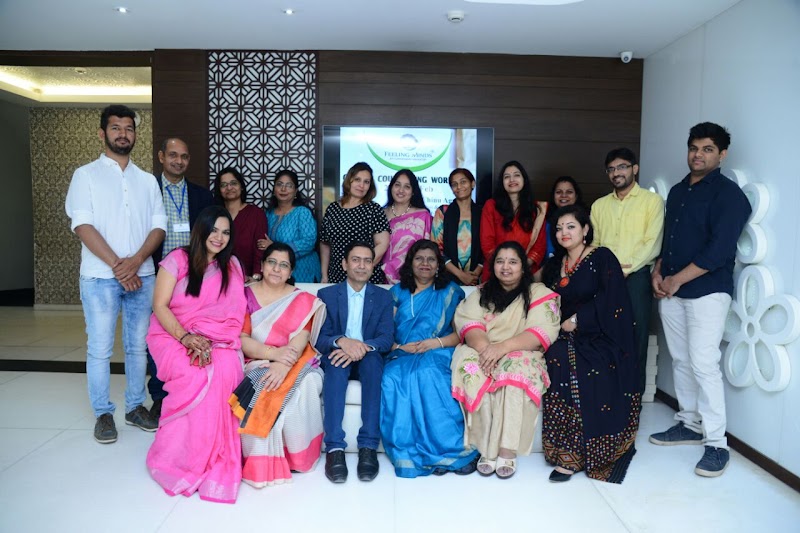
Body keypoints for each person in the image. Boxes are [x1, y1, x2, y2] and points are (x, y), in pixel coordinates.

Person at [649, 122, 751, 478]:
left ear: (722, 154)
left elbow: (718, 251)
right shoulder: (679, 191)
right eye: (694, 148)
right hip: (671, 290)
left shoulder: (729, 196)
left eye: (708, 149)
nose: (698, 154)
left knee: (704, 363)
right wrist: (658, 272)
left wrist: (676, 279)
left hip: (707, 291)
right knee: (681, 360)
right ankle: (689, 423)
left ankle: (716, 444)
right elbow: (669, 240)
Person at [65, 104, 166, 443]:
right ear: (102, 133)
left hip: (143, 274)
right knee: (100, 348)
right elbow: (83, 225)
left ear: (135, 135)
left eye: (129, 128)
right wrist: (119, 266)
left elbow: (158, 227)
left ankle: (135, 407)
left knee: (138, 347)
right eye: (116, 128)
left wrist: (135, 261)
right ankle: (103, 413)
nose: (123, 133)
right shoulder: (85, 175)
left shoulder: (147, 180)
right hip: (99, 277)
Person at [146, 205, 247, 503]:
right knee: (193, 374)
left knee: (226, 369)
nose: (219, 237)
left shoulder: (232, 266)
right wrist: (187, 337)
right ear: (200, 230)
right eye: (213, 230)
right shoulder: (177, 260)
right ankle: (180, 456)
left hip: (218, 339)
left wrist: (211, 339)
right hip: (173, 334)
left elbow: (233, 314)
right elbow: (160, 306)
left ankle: (213, 451)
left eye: (225, 232)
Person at [540, 205, 641, 484]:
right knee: (555, 356)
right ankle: (562, 445)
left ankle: (574, 454)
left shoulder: (602, 257)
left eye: (570, 226)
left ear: (585, 229)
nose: (564, 232)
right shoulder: (555, 265)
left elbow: (613, 300)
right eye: (559, 228)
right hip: (564, 334)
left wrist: (579, 319)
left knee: (584, 365)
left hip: (602, 334)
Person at [451, 241, 560, 479]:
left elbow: (541, 331)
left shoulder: (539, 293)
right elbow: (469, 323)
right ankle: (486, 449)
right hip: (482, 347)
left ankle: (506, 449)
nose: (506, 267)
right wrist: (487, 351)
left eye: (513, 262)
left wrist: (501, 349)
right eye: (500, 261)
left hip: (520, 349)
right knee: (473, 369)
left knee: (514, 373)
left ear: (523, 266)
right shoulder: (481, 293)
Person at [229, 242, 326, 487]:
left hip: (296, 359)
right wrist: (273, 356)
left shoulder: (302, 299)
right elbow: (242, 339)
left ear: (291, 271)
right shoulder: (244, 295)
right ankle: (262, 460)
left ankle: (298, 457)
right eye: (272, 262)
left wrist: (283, 365)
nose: (276, 269)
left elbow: (302, 339)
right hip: (257, 358)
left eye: (284, 265)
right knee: (263, 384)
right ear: (262, 265)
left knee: (305, 384)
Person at [381, 240, 479, 477]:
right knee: (392, 377)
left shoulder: (451, 292)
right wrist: (400, 347)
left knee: (428, 373)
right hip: (402, 352)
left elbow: (460, 333)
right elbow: (384, 332)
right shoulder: (396, 293)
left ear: (438, 265)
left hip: (438, 350)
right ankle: (419, 454)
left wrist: (434, 343)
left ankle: (451, 450)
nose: (425, 263)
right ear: (410, 263)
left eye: (431, 259)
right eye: (419, 259)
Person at [316, 241, 394, 483]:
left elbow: (386, 338)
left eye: (367, 261)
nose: (362, 265)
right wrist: (342, 342)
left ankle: (368, 446)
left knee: (373, 364)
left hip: (368, 354)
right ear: (344, 264)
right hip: (338, 353)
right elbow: (320, 337)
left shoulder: (383, 297)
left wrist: (359, 347)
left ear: (373, 265)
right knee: (335, 365)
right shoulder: (327, 295)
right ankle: (334, 448)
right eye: (356, 260)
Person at [149, 137, 214, 422]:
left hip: (192, 279)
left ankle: (186, 392)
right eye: (173, 155)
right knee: (158, 336)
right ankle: (159, 397)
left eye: (184, 156)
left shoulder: (202, 196)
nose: (179, 161)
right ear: (161, 156)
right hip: (155, 275)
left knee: (189, 332)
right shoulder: (147, 191)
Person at [591, 148, 664, 392]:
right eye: (611, 169)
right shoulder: (599, 206)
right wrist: (604, 271)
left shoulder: (651, 202)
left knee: (636, 337)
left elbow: (652, 243)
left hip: (637, 278)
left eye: (622, 167)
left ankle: (633, 398)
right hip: (604, 279)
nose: (616, 173)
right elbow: (595, 244)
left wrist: (624, 268)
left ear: (635, 169)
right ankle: (608, 395)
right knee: (604, 333)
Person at [320, 162, 390, 284]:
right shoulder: (333, 208)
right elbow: (325, 244)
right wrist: (324, 275)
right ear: (349, 180)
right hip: (336, 275)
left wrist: (362, 268)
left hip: (364, 276)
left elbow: (382, 244)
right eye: (357, 179)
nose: (361, 185)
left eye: (366, 182)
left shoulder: (374, 209)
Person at [480, 161, 547, 281]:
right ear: (502, 182)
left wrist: (520, 268)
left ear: (524, 179)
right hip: (496, 272)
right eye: (507, 177)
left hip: (526, 273)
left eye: (516, 175)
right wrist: (503, 268)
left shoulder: (537, 210)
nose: (512, 179)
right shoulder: (491, 206)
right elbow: (487, 244)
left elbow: (539, 246)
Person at [257, 169, 321, 282]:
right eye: (279, 184)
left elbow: (309, 242)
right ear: (274, 189)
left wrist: (274, 246)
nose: (283, 189)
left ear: (295, 191)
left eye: (289, 185)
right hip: (276, 271)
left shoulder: (302, 212)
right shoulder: (268, 214)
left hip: (303, 270)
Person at [213, 167, 267, 282]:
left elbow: (260, 249)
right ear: (219, 190)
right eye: (223, 185)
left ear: (241, 186)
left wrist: (256, 277)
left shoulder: (256, 214)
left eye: (233, 183)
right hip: (217, 279)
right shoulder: (214, 215)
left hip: (248, 279)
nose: (229, 188)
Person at [431, 168, 483, 286]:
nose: (459, 187)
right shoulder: (443, 212)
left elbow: (487, 247)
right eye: (454, 184)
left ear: (472, 183)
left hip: (477, 280)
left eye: (463, 182)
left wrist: (475, 274)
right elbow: (436, 249)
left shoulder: (483, 212)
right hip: (448, 280)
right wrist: (461, 275)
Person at [382, 169, 432, 283]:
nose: (401, 190)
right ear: (391, 187)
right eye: (397, 185)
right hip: (381, 276)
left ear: (413, 191)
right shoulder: (380, 214)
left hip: (412, 279)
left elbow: (428, 250)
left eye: (407, 187)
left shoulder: (422, 216)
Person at [546, 176, 585, 258]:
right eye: (559, 192)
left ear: (576, 196)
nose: (564, 195)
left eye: (569, 192)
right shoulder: (545, 221)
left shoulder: (586, 218)